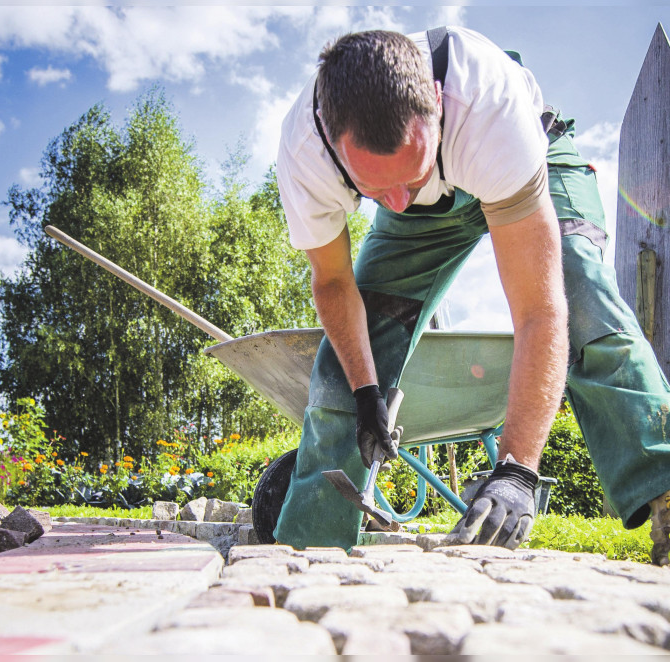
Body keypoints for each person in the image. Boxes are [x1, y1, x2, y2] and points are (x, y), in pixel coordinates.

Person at [270, 25, 670, 564]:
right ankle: (307, 550)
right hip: (434, 193)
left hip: (530, 164)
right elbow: (336, 284)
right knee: (341, 377)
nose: (394, 200)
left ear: (436, 105)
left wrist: (517, 470)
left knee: (584, 299)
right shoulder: (306, 153)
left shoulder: (488, 105)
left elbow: (540, 308)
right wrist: (366, 394)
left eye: (407, 176)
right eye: (372, 188)